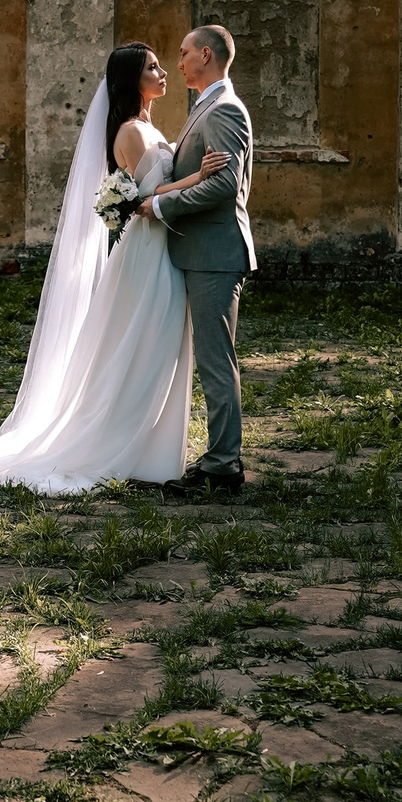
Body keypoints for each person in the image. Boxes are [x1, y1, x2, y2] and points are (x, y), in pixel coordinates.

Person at [0, 43, 229, 493]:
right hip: (147, 254)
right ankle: (119, 443)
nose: (164, 71)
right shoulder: (130, 131)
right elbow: (156, 194)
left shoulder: (148, 126)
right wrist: (201, 176)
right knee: (142, 343)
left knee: (159, 345)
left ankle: (152, 448)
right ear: (133, 80)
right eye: (153, 67)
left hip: (162, 247)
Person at [147, 26, 256, 497]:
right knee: (213, 359)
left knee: (216, 360)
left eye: (184, 52)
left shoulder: (224, 108)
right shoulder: (207, 107)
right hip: (201, 252)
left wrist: (160, 205)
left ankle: (223, 467)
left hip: (215, 253)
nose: (179, 61)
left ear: (206, 55)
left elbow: (223, 185)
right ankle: (219, 458)